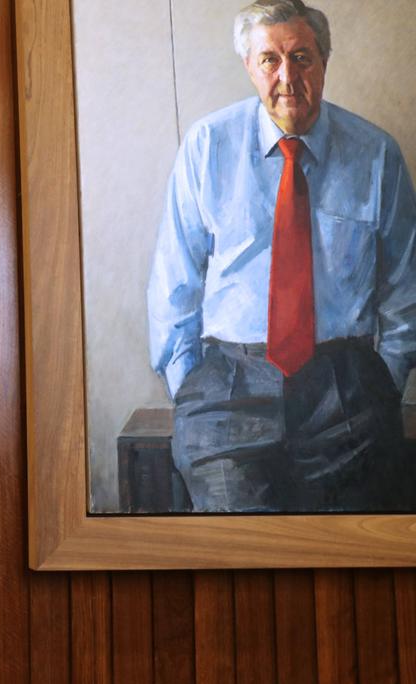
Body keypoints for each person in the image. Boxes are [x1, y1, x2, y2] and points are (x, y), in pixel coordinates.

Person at [147, 0, 416, 512]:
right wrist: (192, 389)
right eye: (270, 59)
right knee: (241, 564)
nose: (287, 76)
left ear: (324, 62)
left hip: (348, 391)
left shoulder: (376, 154)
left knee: (346, 565)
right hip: (229, 389)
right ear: (249, 66)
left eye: (302, 58)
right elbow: (173, 284)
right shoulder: (207, 146)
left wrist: (383, 380)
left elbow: (407, 290)